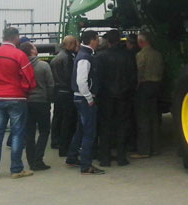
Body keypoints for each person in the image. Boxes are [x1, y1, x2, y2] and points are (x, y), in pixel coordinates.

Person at [0, 27, 36, 180]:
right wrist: (23, 90)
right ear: (16, 38)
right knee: (17, 133)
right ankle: (16, 169)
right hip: (17, 98)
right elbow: (29, 78)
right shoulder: (19, 55)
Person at [94, 29, 136, 167]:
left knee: (105, 126)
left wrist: (97, 94)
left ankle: (105, 158)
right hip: (124, 96)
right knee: (122, 126)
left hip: (106, 96)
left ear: (108, 41)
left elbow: (98, 79)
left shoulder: (100, 56)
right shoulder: (129, 55)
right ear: (119, 39)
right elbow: (133, 76)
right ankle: (121, 157)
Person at [66, 30, 105, 175]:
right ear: (92, 40)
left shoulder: (83, 55)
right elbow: (81, 81)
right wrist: (89, 98)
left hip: (79, 98)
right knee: (89, 132)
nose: (99, 41)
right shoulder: (85, 57)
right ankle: (86, 165)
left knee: (81, 130)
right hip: (84, 99)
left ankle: (71, 158)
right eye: (97, 39)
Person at [20, 42, 54, 171]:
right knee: (44, 131)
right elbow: (50, 84)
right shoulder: (43, 65)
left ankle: (30, 160)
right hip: (41, 102)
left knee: (29, 133)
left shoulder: (21, 66)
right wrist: (50, 99)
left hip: (26, 102)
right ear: (32, 51)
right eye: (34, 47)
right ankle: (38, 159)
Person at [131, 32, 163, 159]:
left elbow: (139, 73)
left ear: (141, 42)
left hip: (144, 87)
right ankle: (155, 148)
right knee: (154, 118)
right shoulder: (158, 54)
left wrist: (136, 88)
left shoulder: (140, 55)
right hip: (156, 86)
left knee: (143, 119)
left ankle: (144, 150)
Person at [50, 35, 78, 156]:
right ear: (69, 44)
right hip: (67, 92)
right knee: (67, 120)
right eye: (74, 44)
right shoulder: (68, 58)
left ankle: (55, 140)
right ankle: (64, 147)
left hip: (58, 92)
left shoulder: (56, 58)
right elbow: (69, 76)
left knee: (57, 117)